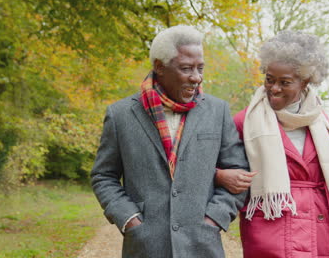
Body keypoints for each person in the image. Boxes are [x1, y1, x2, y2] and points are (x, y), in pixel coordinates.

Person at [91, 25, 249, 258]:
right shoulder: (120, 115)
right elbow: (103, 176)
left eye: (200, 68)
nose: (196, 77)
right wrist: (129, 220)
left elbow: (238, 171)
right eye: (186, 68)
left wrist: (214, 218)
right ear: (159, 67)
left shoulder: (217, 111)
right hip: (145, 247)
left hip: (203, 245)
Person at [215, 30, 329, 258]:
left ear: (305, 81)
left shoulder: (322, 121)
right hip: (272, 233)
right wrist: (218, 175)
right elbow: (213, 165)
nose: (274, 89)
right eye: (269, 79)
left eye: (285, 82)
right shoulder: (244, 122)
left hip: (324, 232)